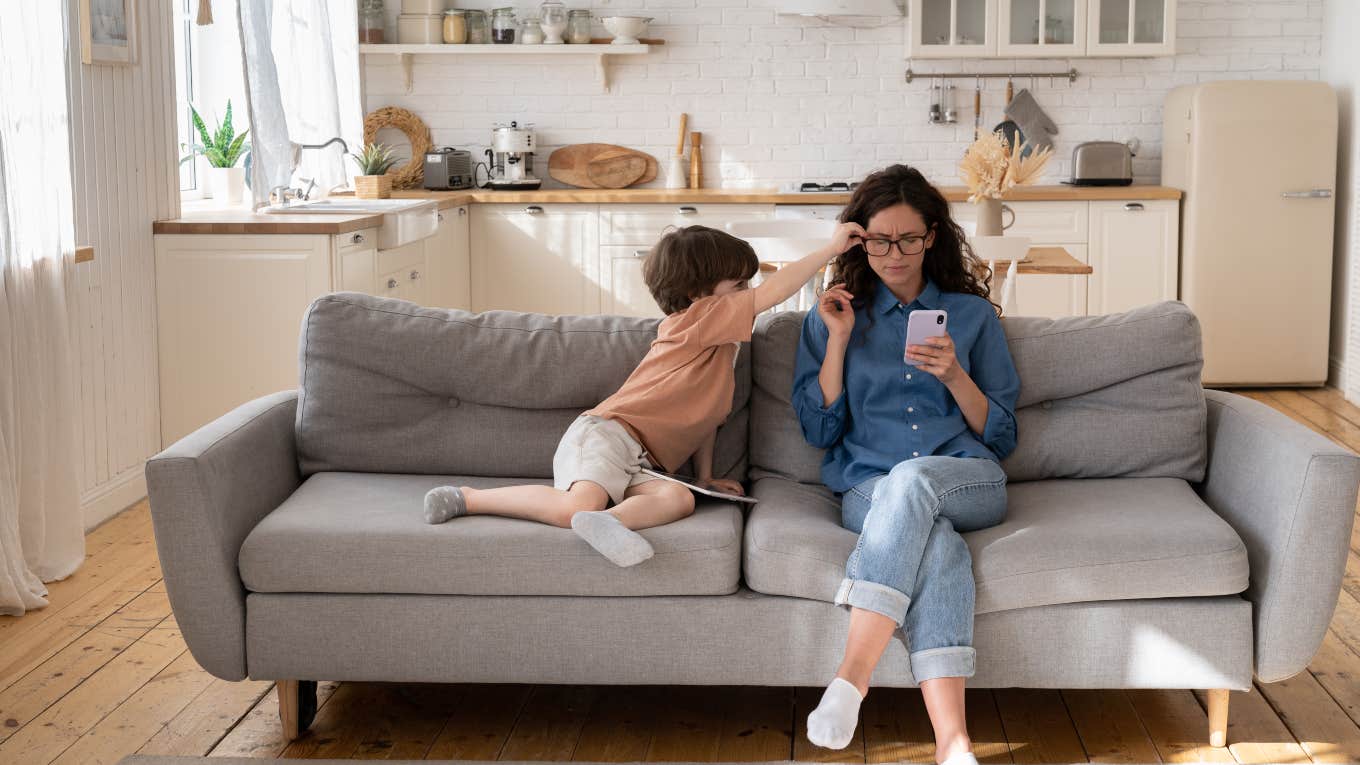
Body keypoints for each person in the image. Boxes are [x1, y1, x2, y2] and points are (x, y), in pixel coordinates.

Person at [424, 222, 865, 568]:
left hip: (641, 458)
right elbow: (773, 292)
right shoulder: (695, 322)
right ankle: (470, 497)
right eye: (738, 287)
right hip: (606, 435)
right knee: (580, 501)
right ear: (699, 295)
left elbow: (704, 424)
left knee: (680, 498)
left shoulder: (723, 352)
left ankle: (605, 525)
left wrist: (706, 477)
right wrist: (830, 249)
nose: (747, 295)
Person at [793, 164, 1020, 765]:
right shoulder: (832, 316)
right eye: (879, 240)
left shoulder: (971, 318)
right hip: (871, 488)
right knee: (937, 545)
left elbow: (1000, 436)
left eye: (909, 239)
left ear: (933, 238)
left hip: (966, 477)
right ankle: (955, 744)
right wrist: (837, 341)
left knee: (915, 479)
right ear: (857, 241)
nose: (895, 255)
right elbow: (819, 430)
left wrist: (954, 375)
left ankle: (851, 678)